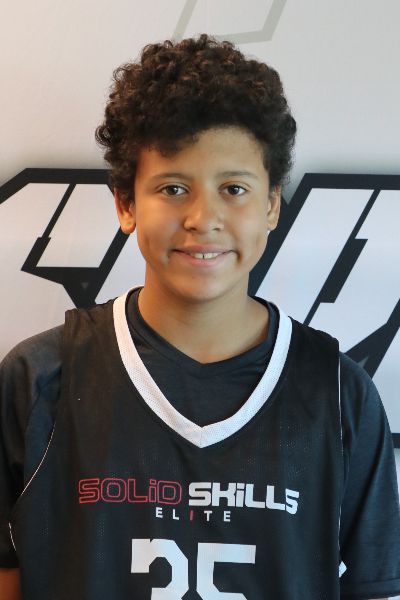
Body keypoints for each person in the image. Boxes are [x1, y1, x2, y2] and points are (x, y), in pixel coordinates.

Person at [1, 34, 399, 600]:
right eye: (173, 188)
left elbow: (373, 586)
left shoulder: (339, 394)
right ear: (126, 203)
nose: (203, 218)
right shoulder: (41, 379)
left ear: (271, 204)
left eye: (233, 188)